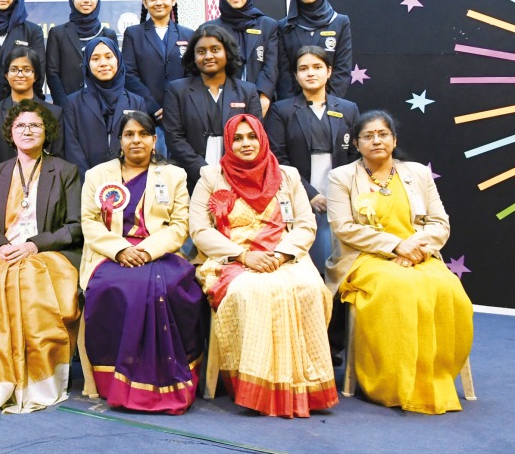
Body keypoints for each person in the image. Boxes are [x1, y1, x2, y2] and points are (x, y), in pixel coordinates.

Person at [191, 114, 338, 418]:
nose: (246, 144)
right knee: (254, 292)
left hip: (283, 256)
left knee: (310, 288)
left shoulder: (287, 175)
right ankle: (258, 386)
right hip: (233, 258)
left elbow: (305, 225)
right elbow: (200, 230)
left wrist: (282, 254)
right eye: (237, 139)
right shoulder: (211, 176)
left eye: (251, 137)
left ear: (263, 138)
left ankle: (305, 385)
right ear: (228, 144)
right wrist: (243, 256)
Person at [325, 111, 472, 414]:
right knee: (398, 289)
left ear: (394, 139)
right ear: (356, 143)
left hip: (419, 255)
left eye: (383, 134)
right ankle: (391, 382)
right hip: (365, 258)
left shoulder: (416, 173)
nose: (376, 140)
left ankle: (435, 376)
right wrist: (396, 246)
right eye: (368, 135)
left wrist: (415, 247)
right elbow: (344, 228)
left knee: (448, 289)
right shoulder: (341, 177)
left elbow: (439, 222)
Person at [79, 111, 203, 415]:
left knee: (177, 288)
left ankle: (168, 378)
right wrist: (121, 250)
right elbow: (90, 222)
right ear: (119, 140)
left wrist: (146, 251)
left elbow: (179, 226)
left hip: (159, 253)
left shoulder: (173, 175)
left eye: (143, 134)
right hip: (111, 255)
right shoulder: (98, 175)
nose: (136, 140)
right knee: (118, 287)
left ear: (154, 139)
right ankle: (116, 382)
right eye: (129, 134)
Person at [0, 101, 82, 413]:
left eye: (35, 126)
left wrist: (33, 246)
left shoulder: (66, 171)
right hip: (2, 255)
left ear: (47, 132)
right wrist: (0, 246)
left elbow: (74, 227)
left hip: (48, 255)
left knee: (30, 280)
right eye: (20, 126)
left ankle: (39, 379)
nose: (27, 131)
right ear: (10, 133)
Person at [264, 45, 359, 272]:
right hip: (297, 194)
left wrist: (339, 194)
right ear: (295, 75)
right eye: (303, 68)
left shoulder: (348, 109)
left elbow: (355, 156)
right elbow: (278, 158)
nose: (310, 73)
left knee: (342, 263)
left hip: (341, 195)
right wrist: (311, 195)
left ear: (329, 71)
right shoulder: (281, 110)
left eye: (317, 67)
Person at [162, 24, 263, 190]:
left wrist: (231, 171)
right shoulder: (177, 90)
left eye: (215, 49)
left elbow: (255, 137)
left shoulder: (248, 91)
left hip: (238, 176)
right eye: (201, 51)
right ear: (193, 57)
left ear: (227, 53)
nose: (208, 56)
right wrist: (202, 170)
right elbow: (174, 138)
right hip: (190, 176)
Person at [0, 47, 63, 189]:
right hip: (2, 190)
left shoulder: (54, 113)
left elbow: (58, 158)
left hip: (44, 191)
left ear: (35, 76)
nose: (20, 74)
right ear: (6, 75)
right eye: (14, 69)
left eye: (26, 69)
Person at [62, 36, 147, 178]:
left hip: (129, 183)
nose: (103, 63)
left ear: (118, 60)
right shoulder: (73, 103)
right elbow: (72, 149)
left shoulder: (136, 102)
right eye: (95, 59)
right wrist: (90, 183)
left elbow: (141, 146)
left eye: (109, 57)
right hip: (86, 184)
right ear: (87, 64)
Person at [123, 0, 194, 138]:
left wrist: (174, 106)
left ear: (174, 0)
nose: (158, 3)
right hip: (145, 116)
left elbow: (192, 74)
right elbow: (129, 74)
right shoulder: (133, 34)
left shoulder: (188, 34)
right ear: (144, 3)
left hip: (181, 115)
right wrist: (153, 107)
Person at [202, 0, 280, 114]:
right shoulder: (210, 28)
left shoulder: (267, 25)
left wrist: (263, 97)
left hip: (260, 102)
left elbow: (271, 66)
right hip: (220, 103)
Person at [278, 0, 352, 99]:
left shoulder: (339, 22)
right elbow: (284, 72)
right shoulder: (284, 26)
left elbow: (342, 69)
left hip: (330, 104)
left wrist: (329, 103)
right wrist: (291, 107)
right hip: (293, 107)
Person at [46, 0, 119, 105]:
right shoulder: (58, 33)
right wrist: (65, 106)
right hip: (68, 108)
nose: (86, 0)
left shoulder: (108, 34)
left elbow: (115, 73)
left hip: (103, 108)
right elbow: (52, 74)